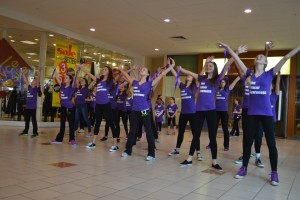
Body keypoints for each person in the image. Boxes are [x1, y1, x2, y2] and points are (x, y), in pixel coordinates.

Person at [219, 42, 300, 186]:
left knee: (271, 143)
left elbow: (287, 56)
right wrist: (229, 48)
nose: (259, 57)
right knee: (247, 141)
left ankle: (274, 173)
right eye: (258, 56)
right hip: (252, 114)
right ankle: (244, 167)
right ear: (256, 61)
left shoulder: (270, 73)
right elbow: (237, 60)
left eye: (262, 56)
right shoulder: (249, 75)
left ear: (265, 62)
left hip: (267, 115)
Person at [178, 46, 247, 169]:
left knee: (212, 136)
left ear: (214, 68)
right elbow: (191, 73)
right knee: (196, 135)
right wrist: (182, 69)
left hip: (211, 111)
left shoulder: (216, 80)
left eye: (211, 66)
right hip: (198, 112)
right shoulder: (202, 78)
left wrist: (236, 53)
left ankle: (214, 161)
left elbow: (226, 66)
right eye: (207, 66)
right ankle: (189, 158)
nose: (208, 67)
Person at [120, 58, 175, 161]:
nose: (142, 70)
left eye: (144, 70)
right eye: (142, 69)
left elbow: (162, 75)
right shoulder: (134, 82)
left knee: (149, 131)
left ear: (147, 74)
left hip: (145, 110)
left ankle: (151, 154)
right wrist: (122, 68)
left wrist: (171, 66)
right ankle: (128, 150)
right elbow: (124, 74)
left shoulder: (150, 83)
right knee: (132, 131)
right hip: (134, 111)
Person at [81, 65, 119, 152]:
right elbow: (89, 74)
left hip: (106, 104)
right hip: (98, 104)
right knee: (97, 123)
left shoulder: (110, 81)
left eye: (105, 69)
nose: (103, 70)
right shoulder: (99, 81)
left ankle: (115, 145)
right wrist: (82, 68)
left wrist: (118, 72)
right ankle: (93, 142)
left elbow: (117, 77)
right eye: (103, 69)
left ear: (108, 72)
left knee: (111, 123)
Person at [168, 67, 201, 161]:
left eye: (191, 75)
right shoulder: (182, 86)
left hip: (193, 113)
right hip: (183, 113)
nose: (189, 76)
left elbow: (199, 76)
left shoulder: (195, 86)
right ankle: (177, 150)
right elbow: (176, 76)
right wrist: (171, 67)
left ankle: (198, 152)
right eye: (188, 75)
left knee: (195, 133)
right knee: (180, 132)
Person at [51, 67, 78, 146]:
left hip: (70, 107)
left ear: (70, 80)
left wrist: (78, 70)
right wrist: (55, 71)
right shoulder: (62, 86)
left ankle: (72, 139)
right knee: (62, 123)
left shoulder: (72, 87)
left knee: (71, 124)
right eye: (64, 77)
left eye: (66, 78)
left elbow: (75, 77)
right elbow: (57, 78)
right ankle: (59, 139)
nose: (64, 79)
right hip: (63, 107)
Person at [213, 76, 240, 150]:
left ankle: (226, 145)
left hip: (224, 111)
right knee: (214, 129)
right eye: (221, 82)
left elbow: (234, 82)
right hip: (216, 111)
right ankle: (211, 143)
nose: (221, 83)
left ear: (225, 83)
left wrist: (238, 77)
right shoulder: (217, 90)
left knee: (225, 129)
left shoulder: (227, 89)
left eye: (223, 82)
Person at [19, 68, 41, 138]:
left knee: (34, 120)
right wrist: (23, 73)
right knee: (27, 120)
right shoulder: (29, 87)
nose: (33, 81)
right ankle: (25, 131)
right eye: (33, 80)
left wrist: (39, 72)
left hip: (33, 107)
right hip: (27, 107)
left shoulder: (36, 88)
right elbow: (25, 80)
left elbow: (38, 80)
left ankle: (35, 133)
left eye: (34, 80)